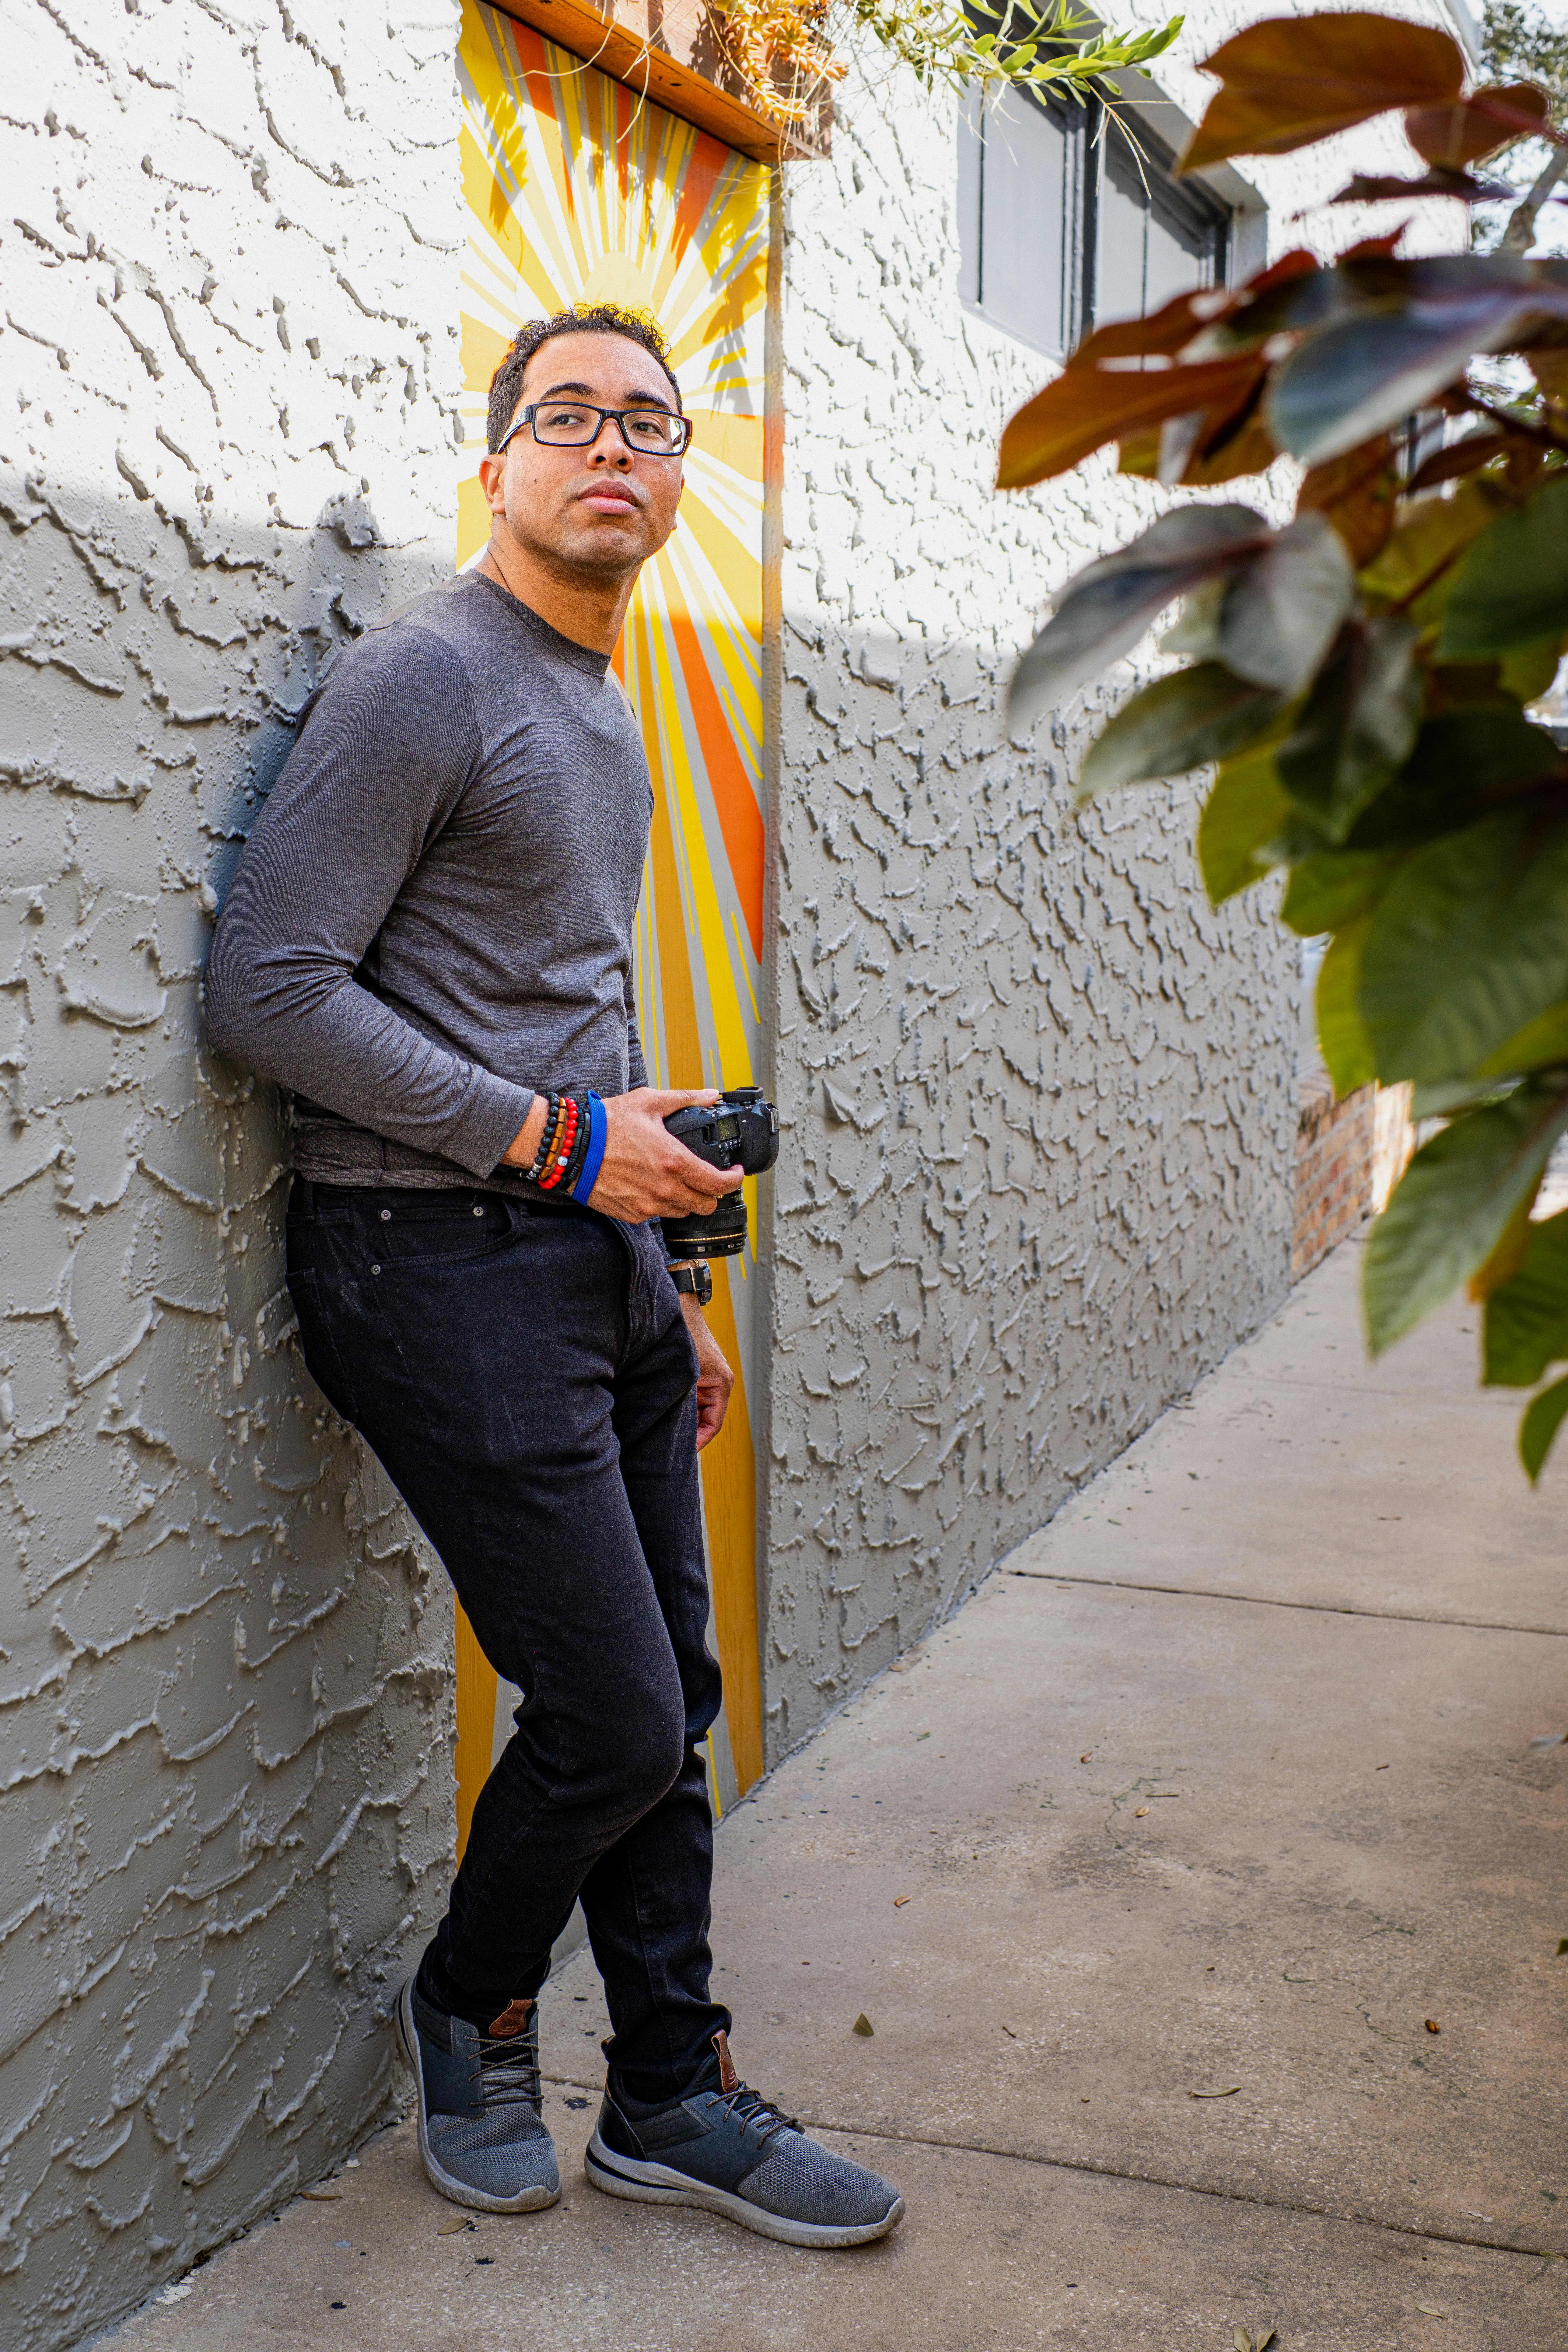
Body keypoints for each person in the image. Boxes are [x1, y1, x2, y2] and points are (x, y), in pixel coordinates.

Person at [204, 302, 904, 2251]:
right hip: (422, 1255)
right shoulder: (430, 676)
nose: (613, 448)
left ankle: (670, 2090)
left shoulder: (603, 695)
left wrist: (659, 1261)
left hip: (576, 1254)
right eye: (567, 416)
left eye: (651, 424)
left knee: (662, 1691)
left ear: (682, 479)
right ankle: (472, 2004)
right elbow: (267, 990)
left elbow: (551, 1012)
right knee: (607, 1705)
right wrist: (562, 1147)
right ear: (494, 460)